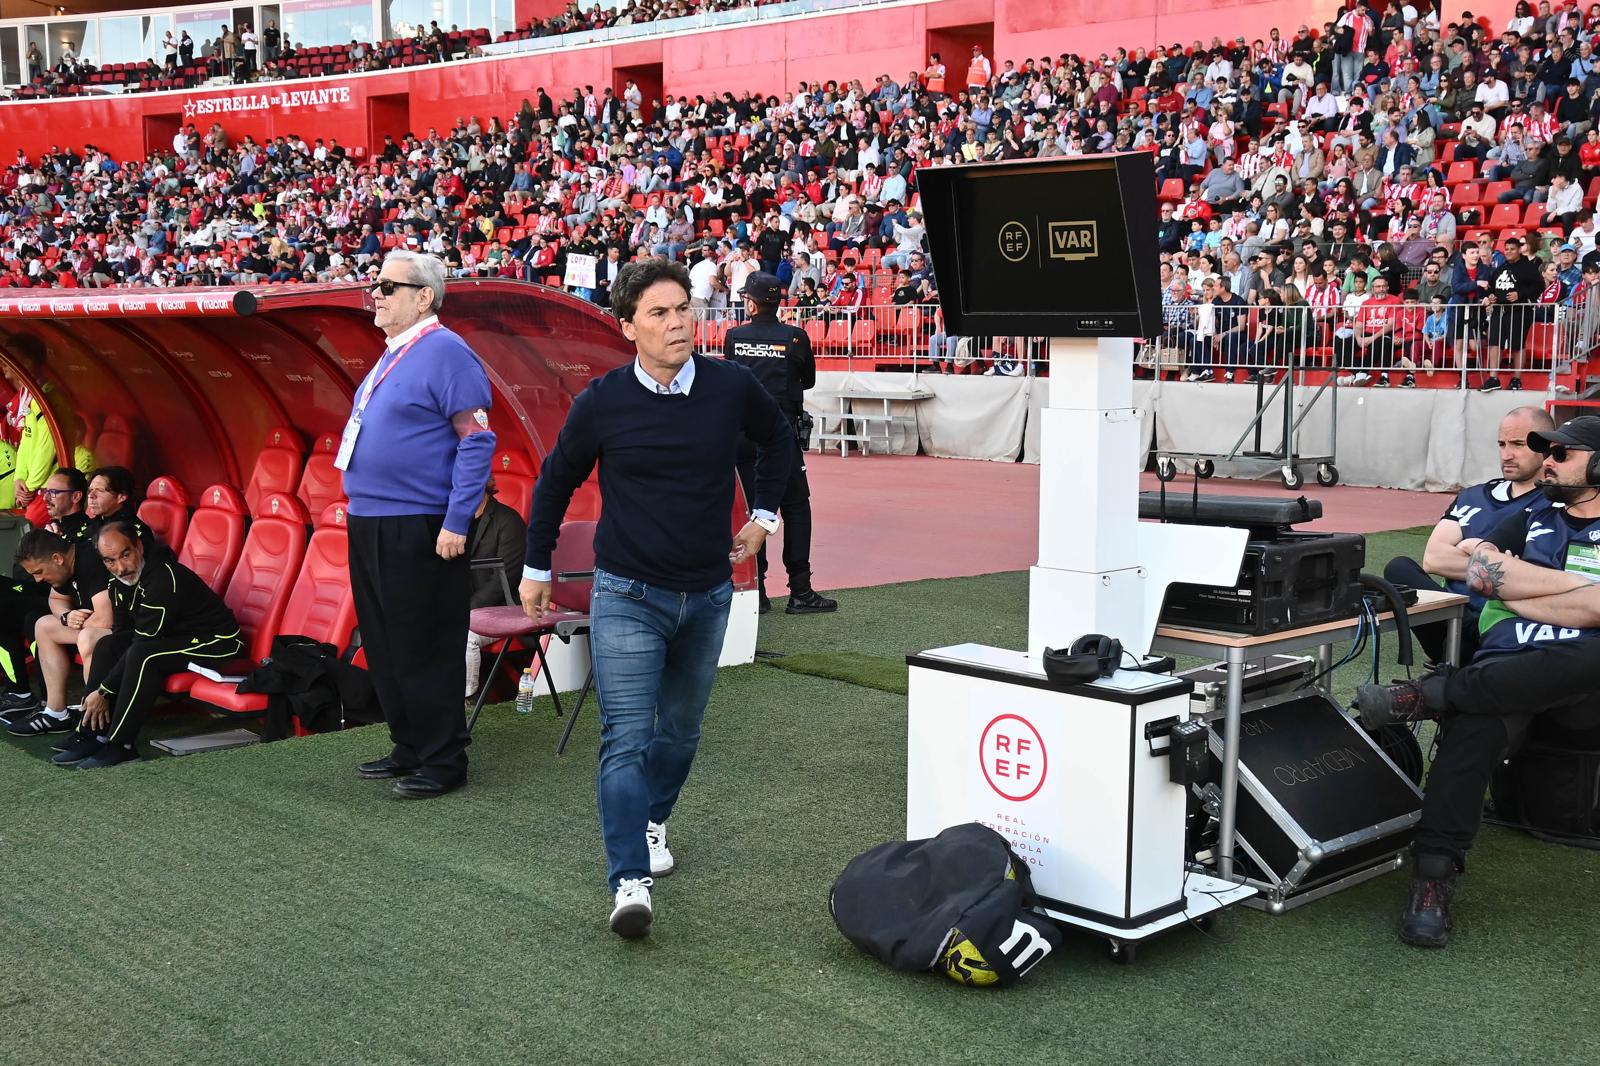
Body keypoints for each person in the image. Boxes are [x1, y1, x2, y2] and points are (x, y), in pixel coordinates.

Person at [519, 259, 792, 940]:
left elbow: (780, 439)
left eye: (683, 309)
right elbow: (554, 482)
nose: (677, 323)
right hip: (628, 594)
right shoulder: (603, 401)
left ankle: (652, 817)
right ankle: (628, 881)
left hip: (707, 594)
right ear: (628, 327)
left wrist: (764, 516)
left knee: (681, 731)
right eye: (660, 314)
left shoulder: (730, 386)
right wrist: (535, 565)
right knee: (625, 739)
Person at [1358, 416, 1600, 947]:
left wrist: (1525, 589)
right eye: (1548, 454)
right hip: (1505, 667)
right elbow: (1483, 574)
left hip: (1581, 682)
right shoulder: (1535, 513)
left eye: (1562, 454)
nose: (1550, 463)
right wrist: (1571, 591)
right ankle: (1433, 877)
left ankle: (1433, 694)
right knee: (1478, 722)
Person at [340, 250, 496, 798]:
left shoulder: (446, 352)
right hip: (372, 519)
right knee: (386, 640)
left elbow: (476, 443)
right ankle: (409, 743)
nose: (375, 294)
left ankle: (443, 757)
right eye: (375, 284)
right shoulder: (394, 353)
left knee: (425, 641)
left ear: (423, 296)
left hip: (420, 522)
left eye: (388, 285)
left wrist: (455, 521)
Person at [49, 522, 243, 769]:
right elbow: (122, 635)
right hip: (173, 638)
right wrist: (104, 689)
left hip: (217, 641)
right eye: (110, 561)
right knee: (108, 644)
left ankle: (121, 746)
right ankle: (91, 732)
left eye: (125, 554)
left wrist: (104, 691)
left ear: (139, 546)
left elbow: (143, 643)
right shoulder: (117, 581)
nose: (121, 567)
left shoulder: (161, 578)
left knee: (144, 655)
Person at [1383, 406, 1555, 664]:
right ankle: (1463, 650)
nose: (1507, 454)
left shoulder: (1554, 504)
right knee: (1398, 569)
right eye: (1501, 444)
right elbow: (1434, 558)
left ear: (1546, 446)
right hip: (1453, 616)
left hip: (1505, 620)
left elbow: (1533, 573)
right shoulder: (1473, 496)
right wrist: (1495, 563)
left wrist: (1468, 548)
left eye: (1518, 444)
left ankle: (1461, 656)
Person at [723, 272, 837, 616]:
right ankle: (800, 590)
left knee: (752, 510)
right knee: (796, 507)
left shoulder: (734, 336)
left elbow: (730, 374)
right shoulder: (796, 338)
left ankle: (755, 591)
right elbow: (809, 379)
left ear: (751, 303)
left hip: (743, 436)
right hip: (781, 433)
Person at [0, 467, 90, 726]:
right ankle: (20, 692)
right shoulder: (50, 528)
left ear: (75, 497)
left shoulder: (89, 533)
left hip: (64, 601)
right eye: (45, 492)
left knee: (32, 617)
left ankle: (41, 700)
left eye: (54, 492)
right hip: (40, 592)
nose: (47, 497)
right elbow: (24, 570)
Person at [5, 527, 115, 738]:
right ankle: (56, 713)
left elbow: (105, 620)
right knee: (44, 625)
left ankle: (91, 718)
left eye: (39, 572)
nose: (37, 580)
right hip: (97, 626)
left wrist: (76, 620)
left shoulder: (91, 560)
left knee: (88, 637)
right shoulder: (65, 565)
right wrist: (66, 616)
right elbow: (55, 600)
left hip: (127, 631)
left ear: (57, 558)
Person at [464, 476, 526, 700]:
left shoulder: (509, 522)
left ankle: (467, 699)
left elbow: (505, 579)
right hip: (468, 606)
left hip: (504, 607)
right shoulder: (457, 522)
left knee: (464, 635)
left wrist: (465, 610)